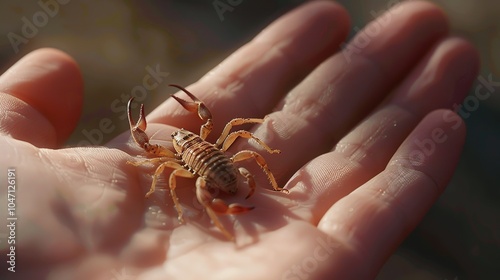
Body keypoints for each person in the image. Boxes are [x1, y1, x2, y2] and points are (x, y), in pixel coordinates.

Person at [0, 1, 479, 279]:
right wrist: (155, 185)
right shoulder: (174, 158)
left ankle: (246, 196)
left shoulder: (186, 146)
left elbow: (219, 132)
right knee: (227, 161)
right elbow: (161, 167)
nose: (186, 138)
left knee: (241, 145)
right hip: (215, 175)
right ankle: (230, 217)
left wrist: (262, 156)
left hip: (218, 167)